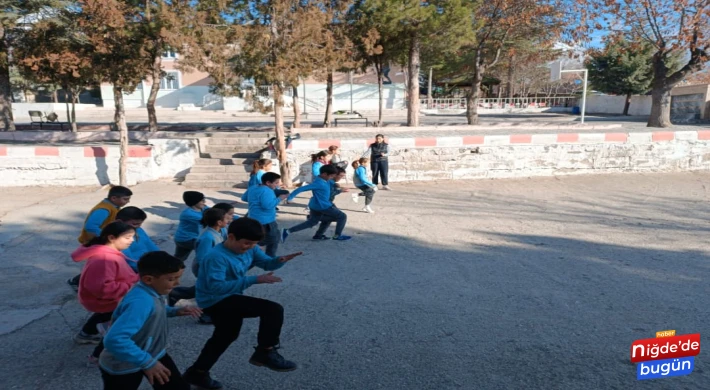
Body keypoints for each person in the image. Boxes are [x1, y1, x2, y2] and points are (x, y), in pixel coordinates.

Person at [182, 218, 303, 389]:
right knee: (272, 309)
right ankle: (265, 352)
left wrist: (279, 260)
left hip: (230, 295)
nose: (250, 247)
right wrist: (254, 280)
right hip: (214, 300)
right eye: (246, 243)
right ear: (231, 237)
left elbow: (265, 262)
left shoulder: (250, 249)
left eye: (254, 243)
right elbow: (216, 287)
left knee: (225, 336)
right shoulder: (216, 257)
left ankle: (197, 373)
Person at [99, 251, 202, 390]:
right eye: (172, 279)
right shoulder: (141, 302)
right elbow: (114, 339)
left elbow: (152, 310)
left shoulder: (151, 291)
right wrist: (148, 363)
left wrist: (173, 311)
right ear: (148, 279)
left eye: (178, 278)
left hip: (152, 352)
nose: (178, 283)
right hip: (124, 362)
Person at [71, 221, 139, 364]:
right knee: (115, 330)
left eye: (132, 237)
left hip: (110, 300)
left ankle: (86, 334)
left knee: (104, 318)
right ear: (112, 238)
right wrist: (129, 286)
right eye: (127, 237)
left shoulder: (109, 252)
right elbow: (103, 288)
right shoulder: (104, 258)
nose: (131, 241)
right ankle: (98, 356)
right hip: (108, 300)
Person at [168, 208, 232, 318]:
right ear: (219, 222)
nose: (230, 219)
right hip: (205, 267)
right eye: (227, 218)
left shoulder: (222, 230)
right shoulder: (207, 237)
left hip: (216, 266)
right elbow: (202, 258)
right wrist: (211, 271)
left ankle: (176, 294)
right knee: (209, 290)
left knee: (208, 287)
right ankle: (205, 316)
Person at [68, 185, 133, 291]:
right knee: (98, 266)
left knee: (100, 266)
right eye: (125, 199)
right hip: (96, 242)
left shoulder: (112, 207)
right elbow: (90, 226)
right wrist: (106, 238)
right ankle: (76, 281)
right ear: (114, 198)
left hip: (103, 241)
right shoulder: (103, 210)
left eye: (128, 199)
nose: (127, 202)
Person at [281, 165, 352, 242]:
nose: (332, 178)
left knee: (313, 222)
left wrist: (337, 186)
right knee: (342, 216)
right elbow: (301, 189)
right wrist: (289, 198)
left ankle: (287, 231)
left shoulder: (325, 180)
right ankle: (337, 236)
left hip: (315, 205)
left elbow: (333, 182)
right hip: (324, 206)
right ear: (324, 174)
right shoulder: (319, 183)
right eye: (331, 176)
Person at [247, 172, 289, 256]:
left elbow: (244, 197)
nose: (277, 185)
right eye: (276, 183)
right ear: (268, 183)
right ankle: (266, 256)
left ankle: (267, 255)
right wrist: (279, 198)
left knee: (273, 237)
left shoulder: (253, 187)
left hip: (253, 217)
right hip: (266, 220)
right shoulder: (267, 191)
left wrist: (255, 201)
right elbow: (268, 206)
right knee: (272, 239)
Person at [117, 207, 160, 272]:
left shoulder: (139, 230)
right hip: (134, 269)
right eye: (134, 224)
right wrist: (144, 270)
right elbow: (127, 258)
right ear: (120, 222)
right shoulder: (118, 237)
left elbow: (150, 244)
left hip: (146, 264)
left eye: (140, 224)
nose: (138, 226)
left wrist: (161, 257)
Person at [174, 191, 208, 262]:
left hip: (188, 237)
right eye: (201, 200)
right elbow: (209, 219)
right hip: (186, 239)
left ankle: (167, 270)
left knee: (178, 259)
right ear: (194, 202)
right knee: (207, 250)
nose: (204, 201)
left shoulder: (203, 208)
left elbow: (215, 212)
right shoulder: (188, 214)